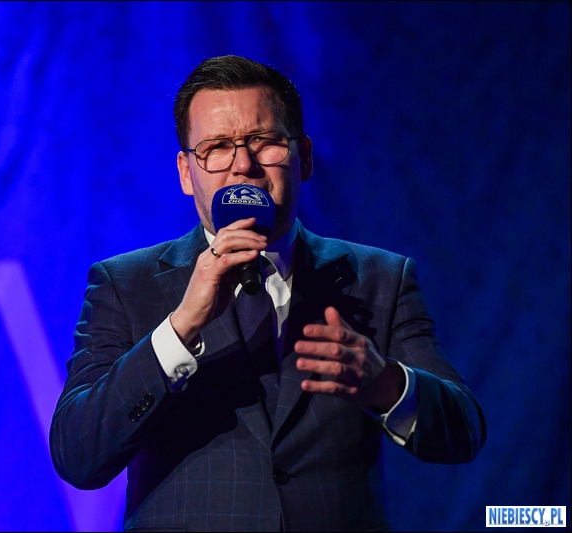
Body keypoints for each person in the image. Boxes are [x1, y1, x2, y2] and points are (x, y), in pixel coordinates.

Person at [50, 55, 485, 532]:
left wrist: (383, 383)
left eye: (265, 142)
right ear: (186, 172)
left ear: (304, 157)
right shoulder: (125, 283)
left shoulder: (380, 277)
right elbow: (78, 455)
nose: (243, 165)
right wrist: (179, 329)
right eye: (217, 147)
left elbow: (463, 432)